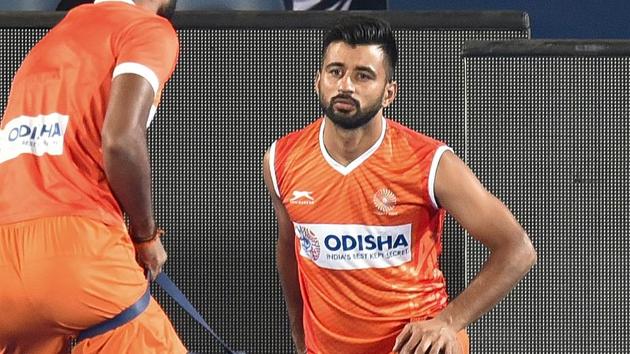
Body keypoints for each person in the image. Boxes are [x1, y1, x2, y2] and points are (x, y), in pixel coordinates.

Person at [262, 16, 537, 354]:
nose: (345, 85)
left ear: (389, 92)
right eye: (335, 71)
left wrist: (449, 322)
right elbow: (290, 245)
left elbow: (517, 249)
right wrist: (297, 326)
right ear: (318, 80)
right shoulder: (281, 159)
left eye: (363, 75)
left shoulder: (432, 162)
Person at [0, 0, 185, 353]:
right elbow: (121, 141)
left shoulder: (48, 42)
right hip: (78, 256)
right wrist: (145, 236)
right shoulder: (146, 28)